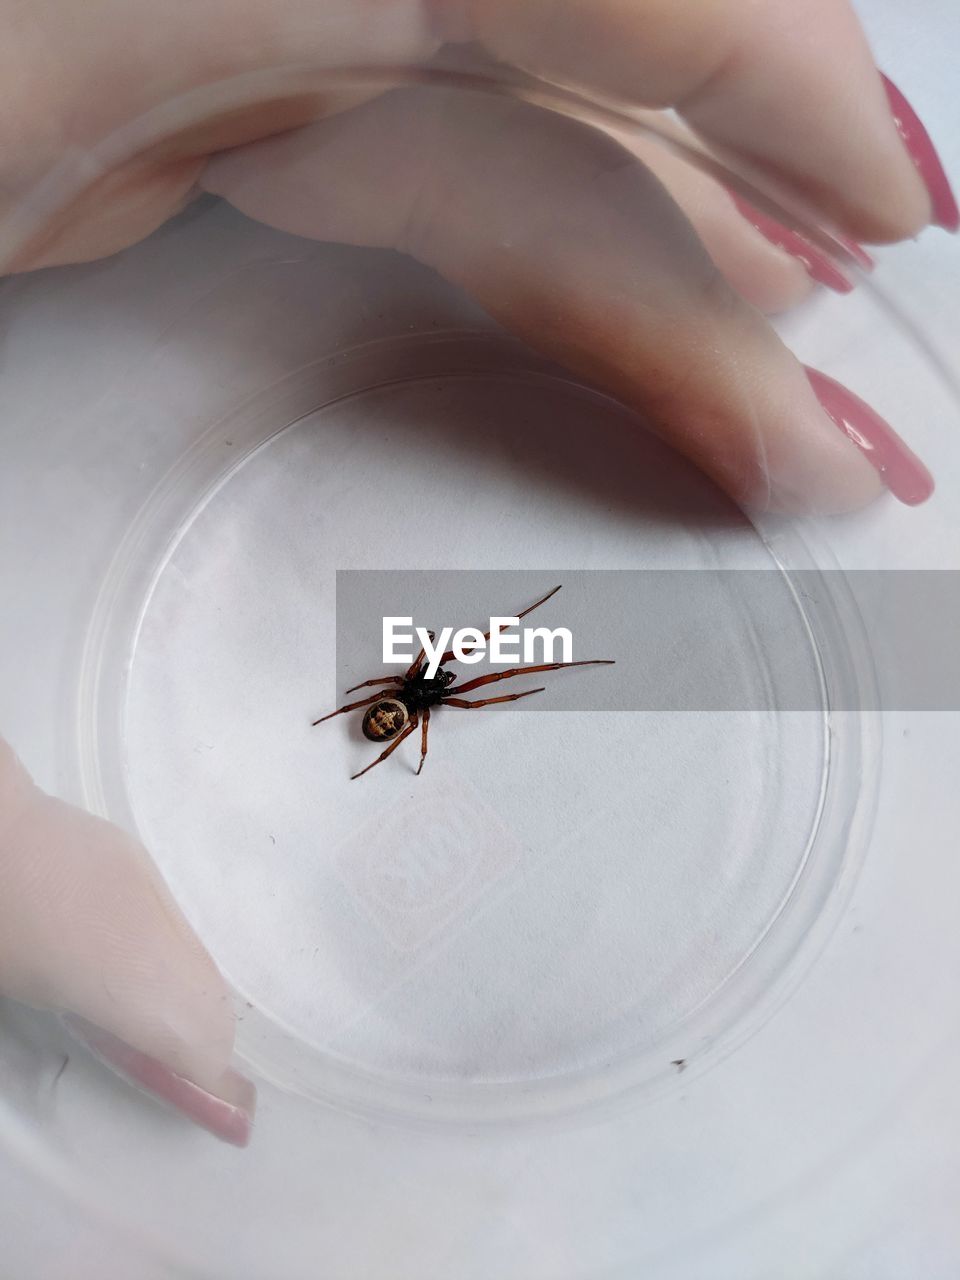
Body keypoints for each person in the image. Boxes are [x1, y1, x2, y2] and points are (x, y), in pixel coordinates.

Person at [0, 0, 955, 1145]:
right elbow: (428, 686)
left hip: (458, 660)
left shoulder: (437, 677)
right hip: (451, 661)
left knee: (503, 649)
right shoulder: (418, 689)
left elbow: (449, 674)